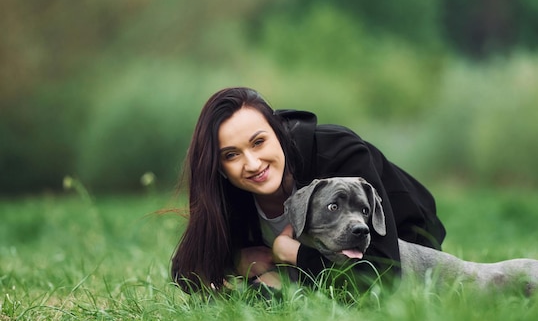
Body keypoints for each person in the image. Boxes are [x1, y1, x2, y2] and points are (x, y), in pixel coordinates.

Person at [171, 87, 446, 293]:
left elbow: (380, 277)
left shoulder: (339, 155)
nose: (252, 164)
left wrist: (291, 254)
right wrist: (235, 261)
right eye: (231, 155)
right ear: (219, 168)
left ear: (278, 132)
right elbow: (185, 268)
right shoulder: (228, 193)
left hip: (406, 237)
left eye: (258, 142)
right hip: (324, 261)